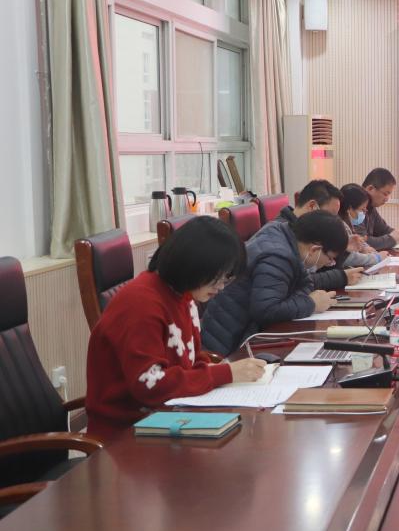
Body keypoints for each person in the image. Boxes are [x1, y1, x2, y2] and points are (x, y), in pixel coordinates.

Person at [85, 217, 266, 436]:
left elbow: (192, 359)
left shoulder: (184, 296)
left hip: (170, 416)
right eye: (217, 278)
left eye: (226, 278)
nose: (221, 287)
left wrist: (215, 374)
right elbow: (150, 385)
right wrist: (224, 374)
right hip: (125, 434)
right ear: (193, 266)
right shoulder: (140, 304)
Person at [202, 210, 349, 355]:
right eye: (330, 258)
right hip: (228, 346)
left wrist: (301, 298)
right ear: (314, 249)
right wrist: (311, 304)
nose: (330, 263)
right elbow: (266, 310)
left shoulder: (281, 233)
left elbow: (306, 283)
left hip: (237, 332)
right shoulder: (278, 257)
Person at [276, 179, 363, 289]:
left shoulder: (309, 231)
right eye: (329, 214)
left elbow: (322, 268)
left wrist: (341, 249)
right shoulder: (282, 235)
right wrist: (340, 277)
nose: (332, 221)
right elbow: (298, 281)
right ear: (312, 206)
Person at [356, 168, 399, 250]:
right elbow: (362, 242)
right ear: (370, 189)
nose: (387, 199)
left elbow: (383, 229)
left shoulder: (371, 207)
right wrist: (392, 239)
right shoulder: (355, 205)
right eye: (385, 194)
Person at [339, 183, 388, 269]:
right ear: (349, 208)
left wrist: (366, 248)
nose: (365, 212)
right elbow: (348, 257)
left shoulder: (348, 223)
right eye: (362, 209)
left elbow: (358, 241)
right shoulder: (339, 225)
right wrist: (377, 258)